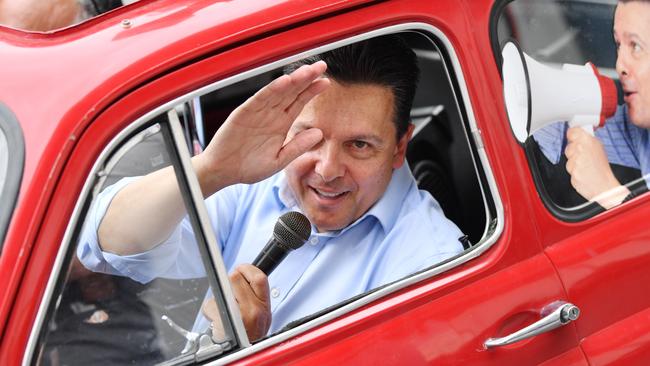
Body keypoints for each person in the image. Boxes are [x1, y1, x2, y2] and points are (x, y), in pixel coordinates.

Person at [77, 35, 464, 341]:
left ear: (399, 147)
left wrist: (252, 350)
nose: (327, 170)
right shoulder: (257, 182)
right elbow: (104, 241)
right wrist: (210, 169)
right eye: (309, 137)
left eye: (359, 145)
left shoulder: (431, 266)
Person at [535, 0, 650, 209]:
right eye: (618, 45)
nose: (619, 65)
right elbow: (557, 126)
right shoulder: (641, 132)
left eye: (635, 46)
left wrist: (608, 192)